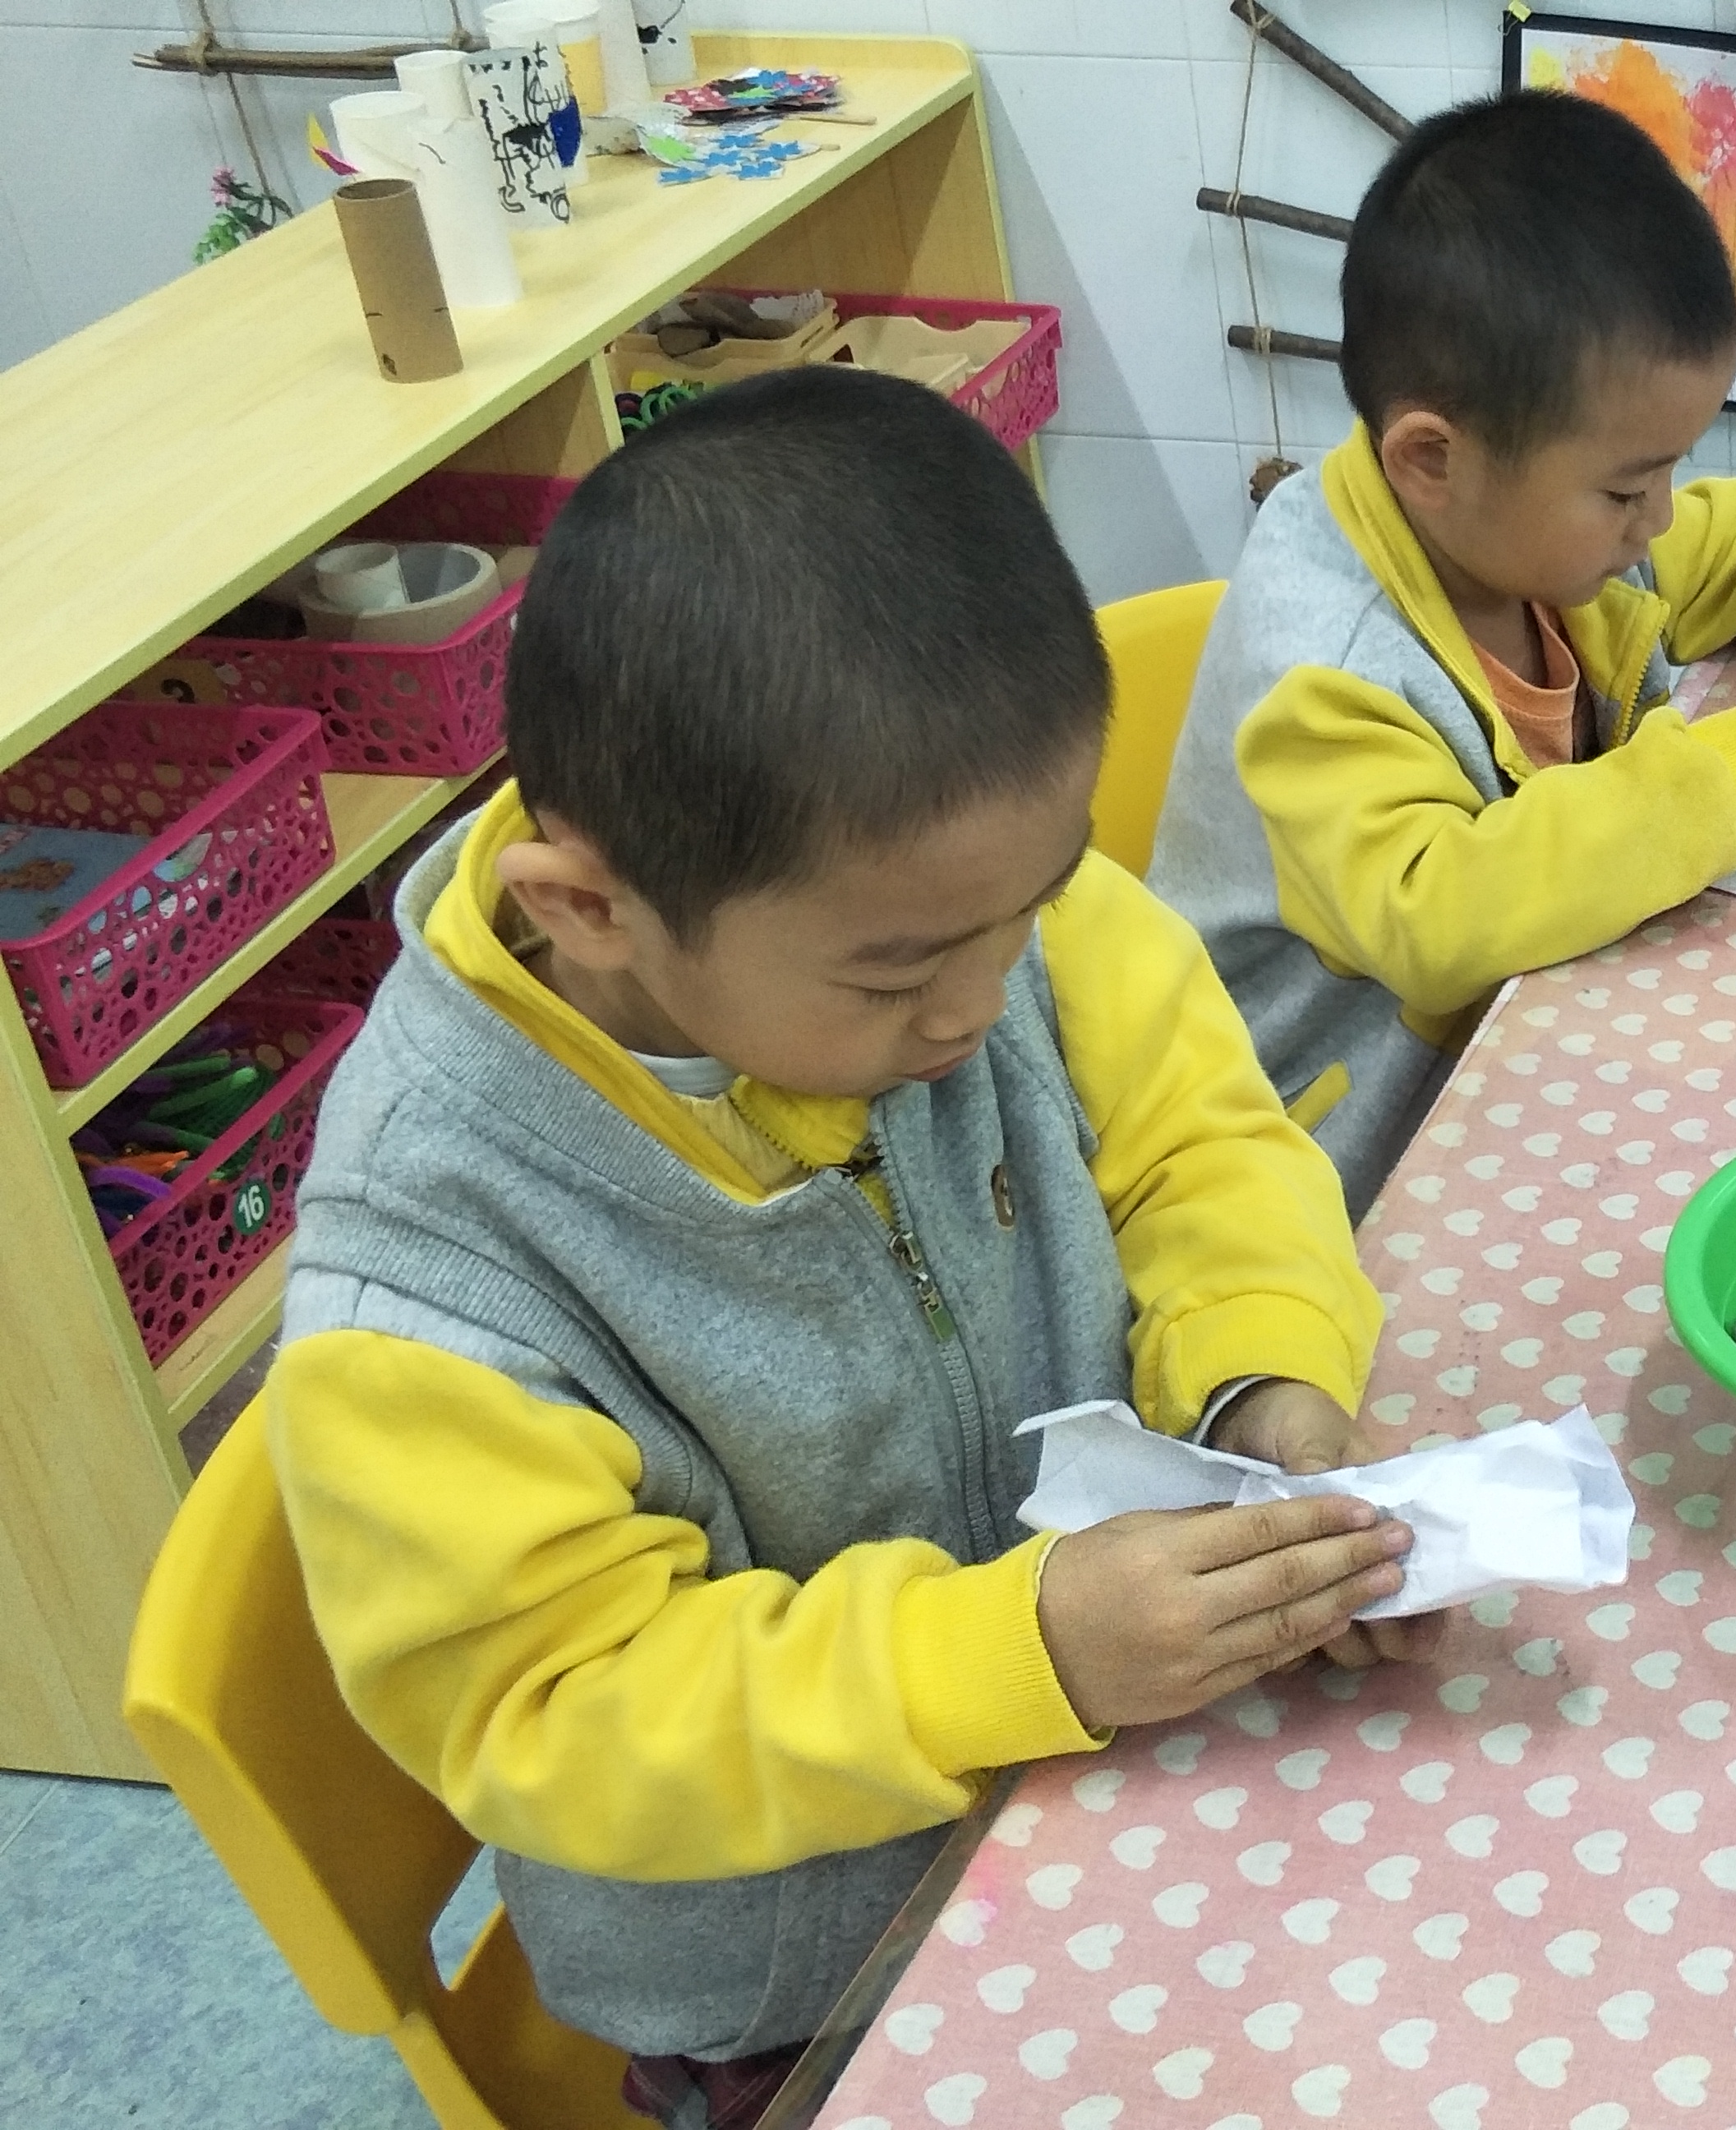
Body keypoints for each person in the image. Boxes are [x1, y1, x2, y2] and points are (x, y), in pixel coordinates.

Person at [266, 367, 1434, 2130]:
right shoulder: (428, 1288)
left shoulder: (946, 905)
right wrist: (1012, 1656)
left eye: (1029, 914)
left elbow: (1203, 1140)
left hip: (1088, 1776)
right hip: (802, 1987)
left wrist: (1258, 1379)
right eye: (897, 980)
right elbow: (561, 1709)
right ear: (589, 910)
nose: (979, 1009)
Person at [1146, 90, 1736, 1205]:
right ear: (1432, 461)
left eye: (1671, 470)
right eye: (1630, 488)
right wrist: (1730, 776)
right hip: (1326, 1173)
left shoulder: (1527, 532)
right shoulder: (1323, 671)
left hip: (1519, 1062)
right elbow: (1438, 913)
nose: (1662, 516)